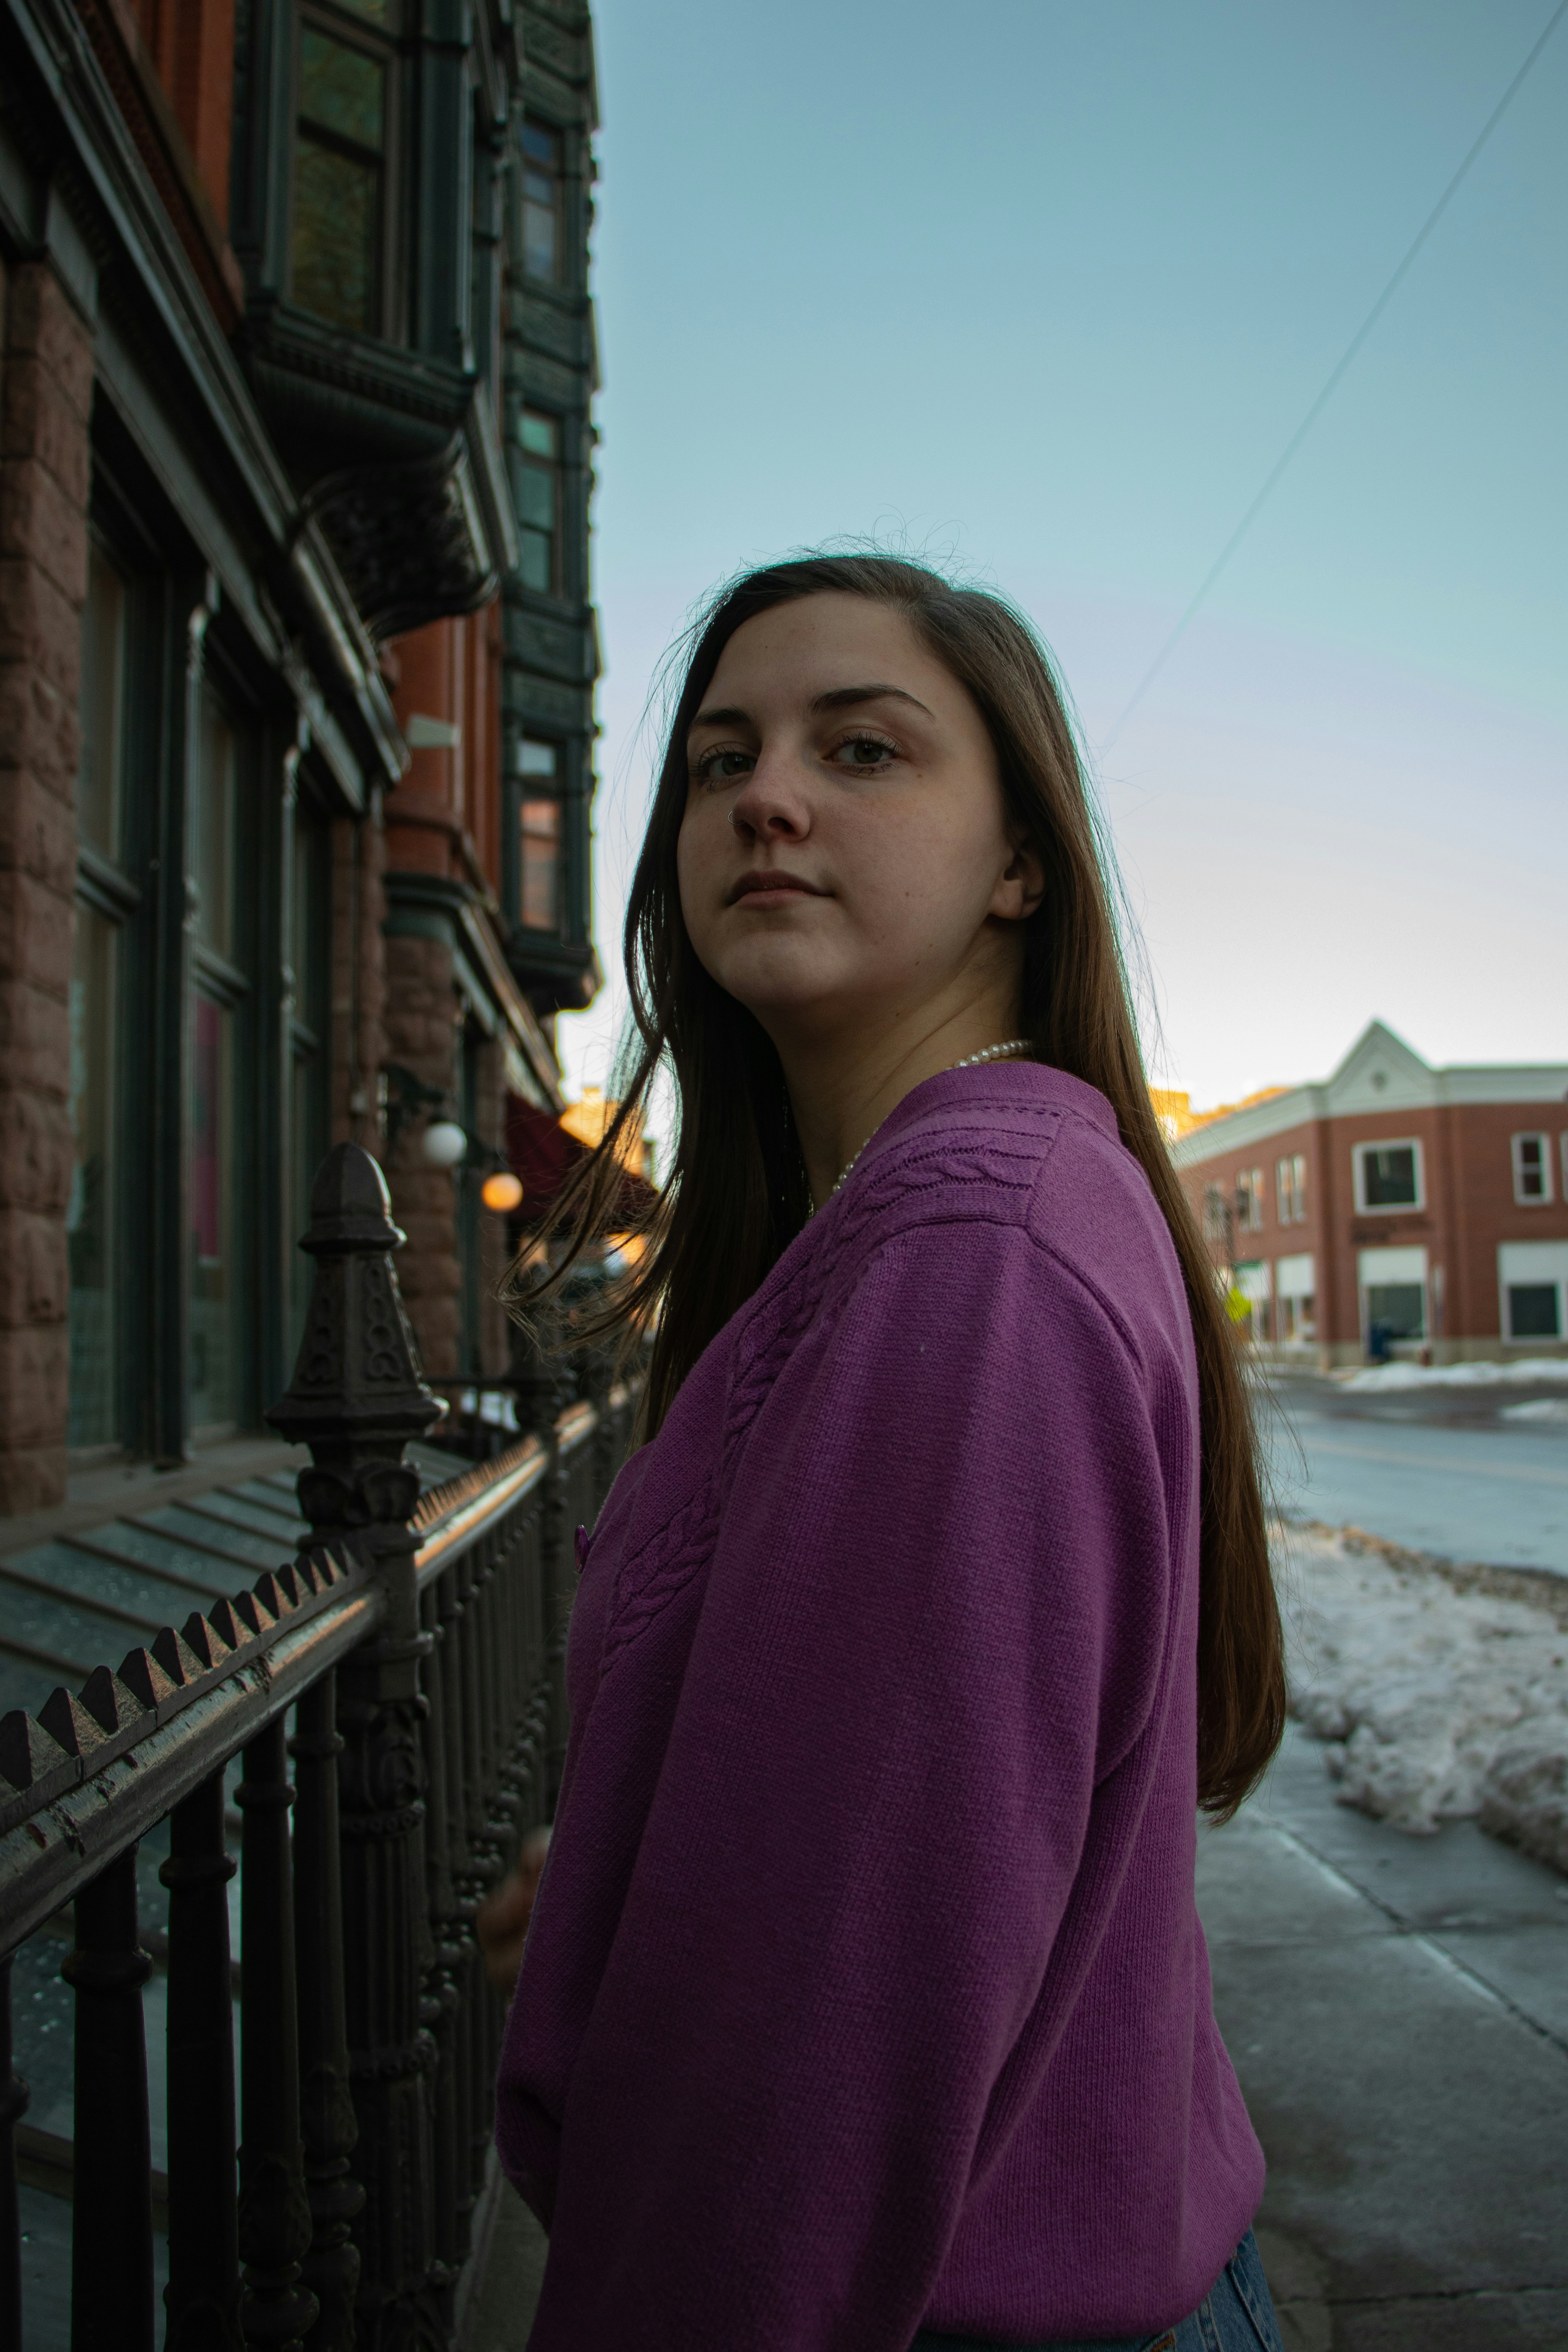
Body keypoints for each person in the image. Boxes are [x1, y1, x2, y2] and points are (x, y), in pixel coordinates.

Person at [481, 554, 1287, 2352]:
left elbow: (806, 2065)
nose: (763, 792)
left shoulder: (968, 1244)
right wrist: (632, 1892)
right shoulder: (906, 1223)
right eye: (718, 759)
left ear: (1021, 866)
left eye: (862, 749)